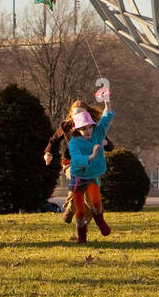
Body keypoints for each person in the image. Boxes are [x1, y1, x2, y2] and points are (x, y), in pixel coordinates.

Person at [46, 100, 114, 224]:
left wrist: (106, 143)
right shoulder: (66, 126)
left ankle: (80, 218)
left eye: (82, 114)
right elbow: (54, 140)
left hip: (89, 166)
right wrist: (48, 153)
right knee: (78, 178)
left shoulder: (93, 128)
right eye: (76, 115)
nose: (79, 117)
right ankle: (72, 209)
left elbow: (110, 146)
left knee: (87, 192)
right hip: (70, 163)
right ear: (71, 116)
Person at [67, 95, 115, 245]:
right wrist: (92, 155)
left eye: (89, 127)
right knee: (80, 212)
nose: (88, 131)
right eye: (83, 129)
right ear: (77, 129)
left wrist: (107, 103)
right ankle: (82, 237)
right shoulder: (74, 143)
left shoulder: (98, 133)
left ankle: (100, 222)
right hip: (79, 178)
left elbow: (106, 120)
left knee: (96, 204)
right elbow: (76, 159)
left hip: (93, 176)